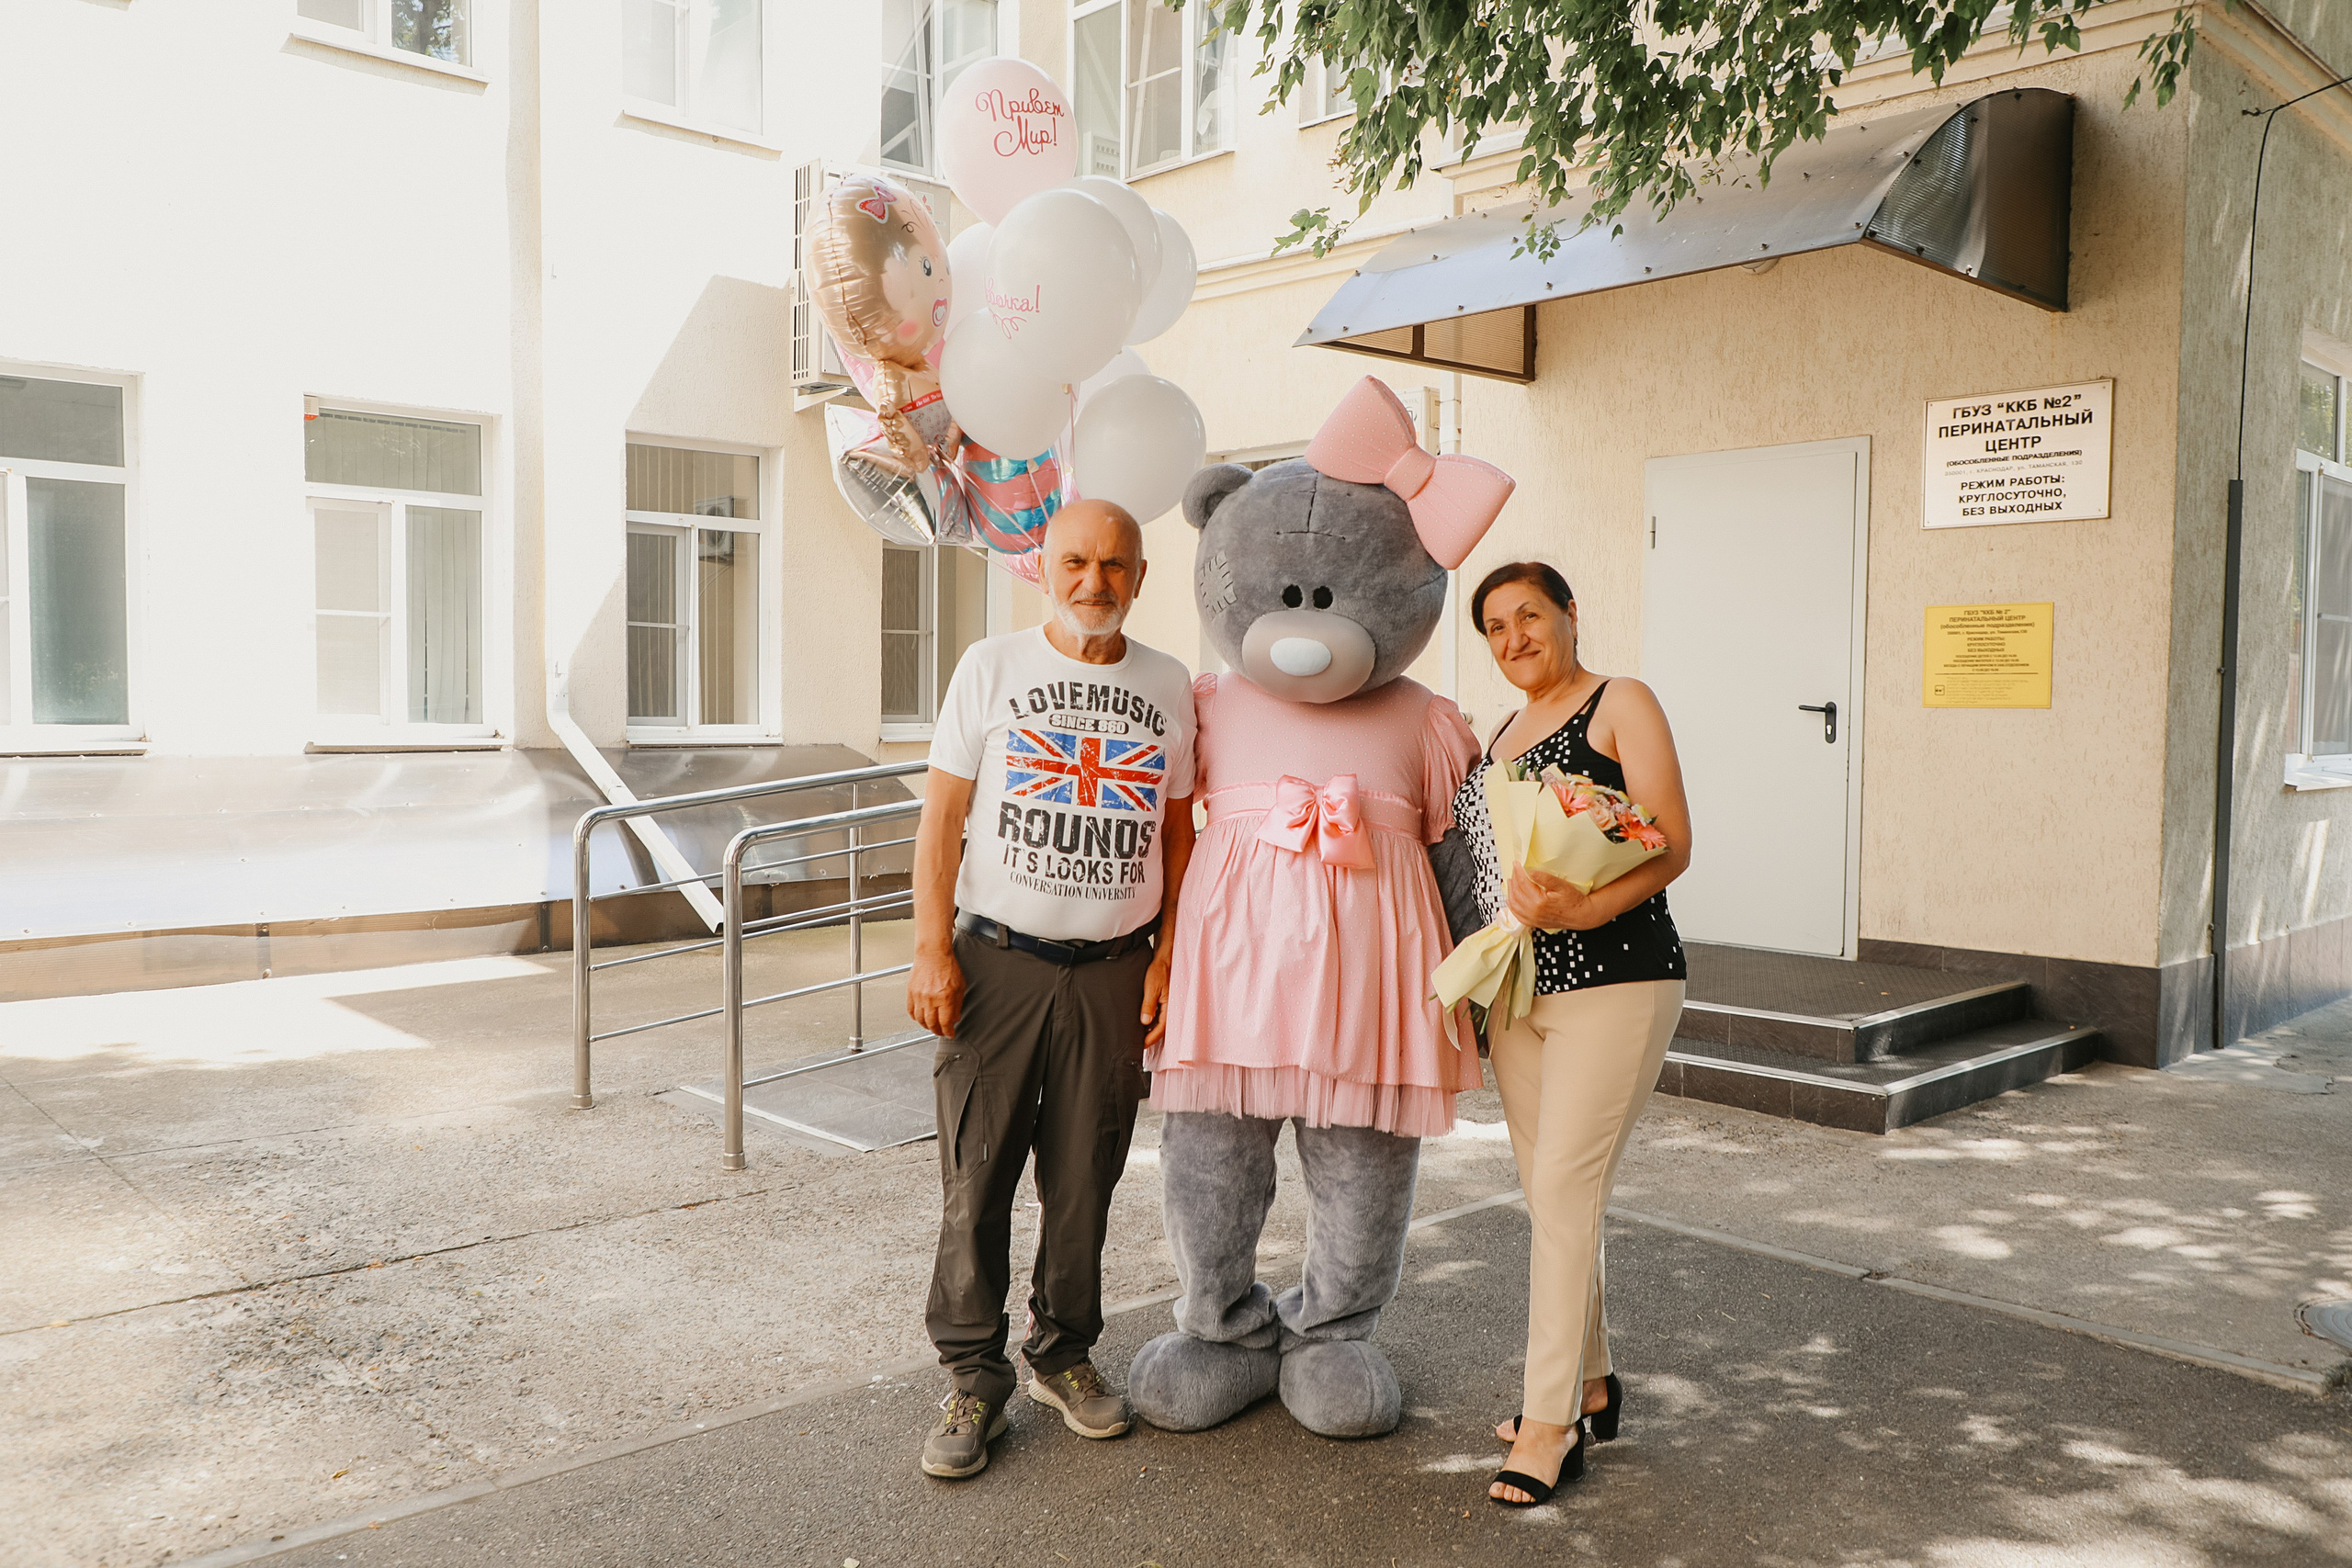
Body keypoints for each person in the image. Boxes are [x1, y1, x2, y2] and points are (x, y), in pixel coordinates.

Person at [904, 499, 1197, 1481]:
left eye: (1116, 566)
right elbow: (941, 820)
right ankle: (972, 1376)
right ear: (1042, 569)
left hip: (1114, 974)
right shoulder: (989, 667)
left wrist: (1164, 956)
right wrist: (928, 951)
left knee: (1086, 1180)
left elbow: (1180, 830)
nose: (1094, 582)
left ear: (1141, 578)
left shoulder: (1169, 685)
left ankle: (1062, 1354)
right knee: (977, 1176)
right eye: (1076, 561)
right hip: (996, 966)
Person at [1451, 561, 1691, 1507]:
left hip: (1619, 981)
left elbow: (1670, 840)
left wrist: (1583, 910)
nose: (1514, 638)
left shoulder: (1619, 701)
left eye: (1529, 617)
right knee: (1551, 1198)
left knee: (1563, 1185)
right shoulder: (1498, 733)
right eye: (1496, 627)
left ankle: (1549, 1425)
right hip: (1520, 988)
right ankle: (1590, 1383)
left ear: (1568, 616)